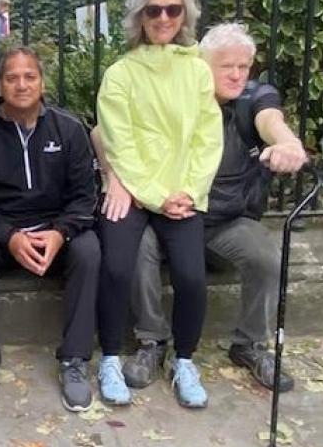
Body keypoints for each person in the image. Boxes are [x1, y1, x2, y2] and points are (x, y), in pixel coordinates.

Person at [113, 22, 307, 392]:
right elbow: (109, 129)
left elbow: (271, 119)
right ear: (201, 65)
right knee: (137, 246)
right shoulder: (174, 95)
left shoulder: (252, 99)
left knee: (265, 255)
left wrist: (288, 143)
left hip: (224, 221)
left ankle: (250, 343)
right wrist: (114, 174)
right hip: (168, 217)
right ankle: (151, 340)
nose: (237, 75)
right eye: (226, 66)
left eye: (243, 66)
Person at [95, 0, 223, 409]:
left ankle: (184, 360)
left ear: (185, 15)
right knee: (116, 268)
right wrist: (153, 195)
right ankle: (110, 358)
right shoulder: (120, 73)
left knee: (191, 276)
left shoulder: (198, 71)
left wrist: (188, 191)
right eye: (154, 10)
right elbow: (119, 141)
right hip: (133, 191)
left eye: (173, 9)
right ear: (140, 16)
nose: (164, 18)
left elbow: (208, 138)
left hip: (182, 195)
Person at [0, 47, 100, 412]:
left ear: (42, 82)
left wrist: (61, 233)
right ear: (0, 86)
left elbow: (86, 197)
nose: (21, 85)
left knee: (89, 250)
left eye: (29, 76)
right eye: (12, 78)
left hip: (54, 233)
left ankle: (74, 360)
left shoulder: (70, 129)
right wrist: (8, 237)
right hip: (1, 233)